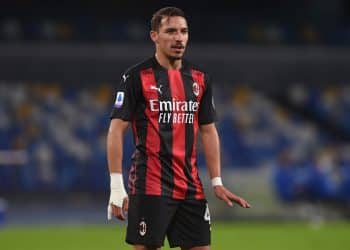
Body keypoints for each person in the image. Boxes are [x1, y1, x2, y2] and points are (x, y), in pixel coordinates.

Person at [107, 6, 251, 250]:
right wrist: (116, 185)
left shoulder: (200, 78)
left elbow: (208, 129)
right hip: (150, 184)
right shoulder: (135, 77)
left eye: (183, 31)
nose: (179, 38)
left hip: (190, 186)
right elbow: (115, 130)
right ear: (154, 36)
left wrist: (216, 181)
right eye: (171, 31)